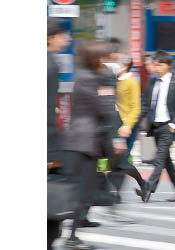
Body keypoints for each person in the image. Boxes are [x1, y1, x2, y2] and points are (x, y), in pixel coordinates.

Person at [62, 41, 126, 249]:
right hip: (89, 140)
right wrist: (116, 139)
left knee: (81, 189)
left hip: (77, 138)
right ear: (97, 58)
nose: (110, 61)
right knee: (82, 191)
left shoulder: (81, 76)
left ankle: (72, 233)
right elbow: (106, 109)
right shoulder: (98, 79)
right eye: (107, 57)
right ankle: (71, 237)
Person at [138, 50, 175, 202]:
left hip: (168, 126)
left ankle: (148, 188)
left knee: (159, 159)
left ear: (168, 66)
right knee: (166, 161)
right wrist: (137, 121)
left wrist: (174, 124)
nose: (157, 67)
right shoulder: (152, 81)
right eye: (155, 64)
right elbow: (146, 104)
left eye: (160, 65)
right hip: (155, 126)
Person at [107, 53, 150, 202]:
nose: (114, 65)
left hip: (126, 124)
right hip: (116, 123)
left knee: (121, 160)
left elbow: (135, 107)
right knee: (116, 160)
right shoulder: (115, 79)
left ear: (125, 66)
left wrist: (128, 125)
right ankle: (142, 186)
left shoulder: (131, 81)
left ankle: (139, 186)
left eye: (117, 62)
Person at [47, 17, 72, 250]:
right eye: (64, 34)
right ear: (50, 38)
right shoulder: (49, 65)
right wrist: (53, 154)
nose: (68, 38)